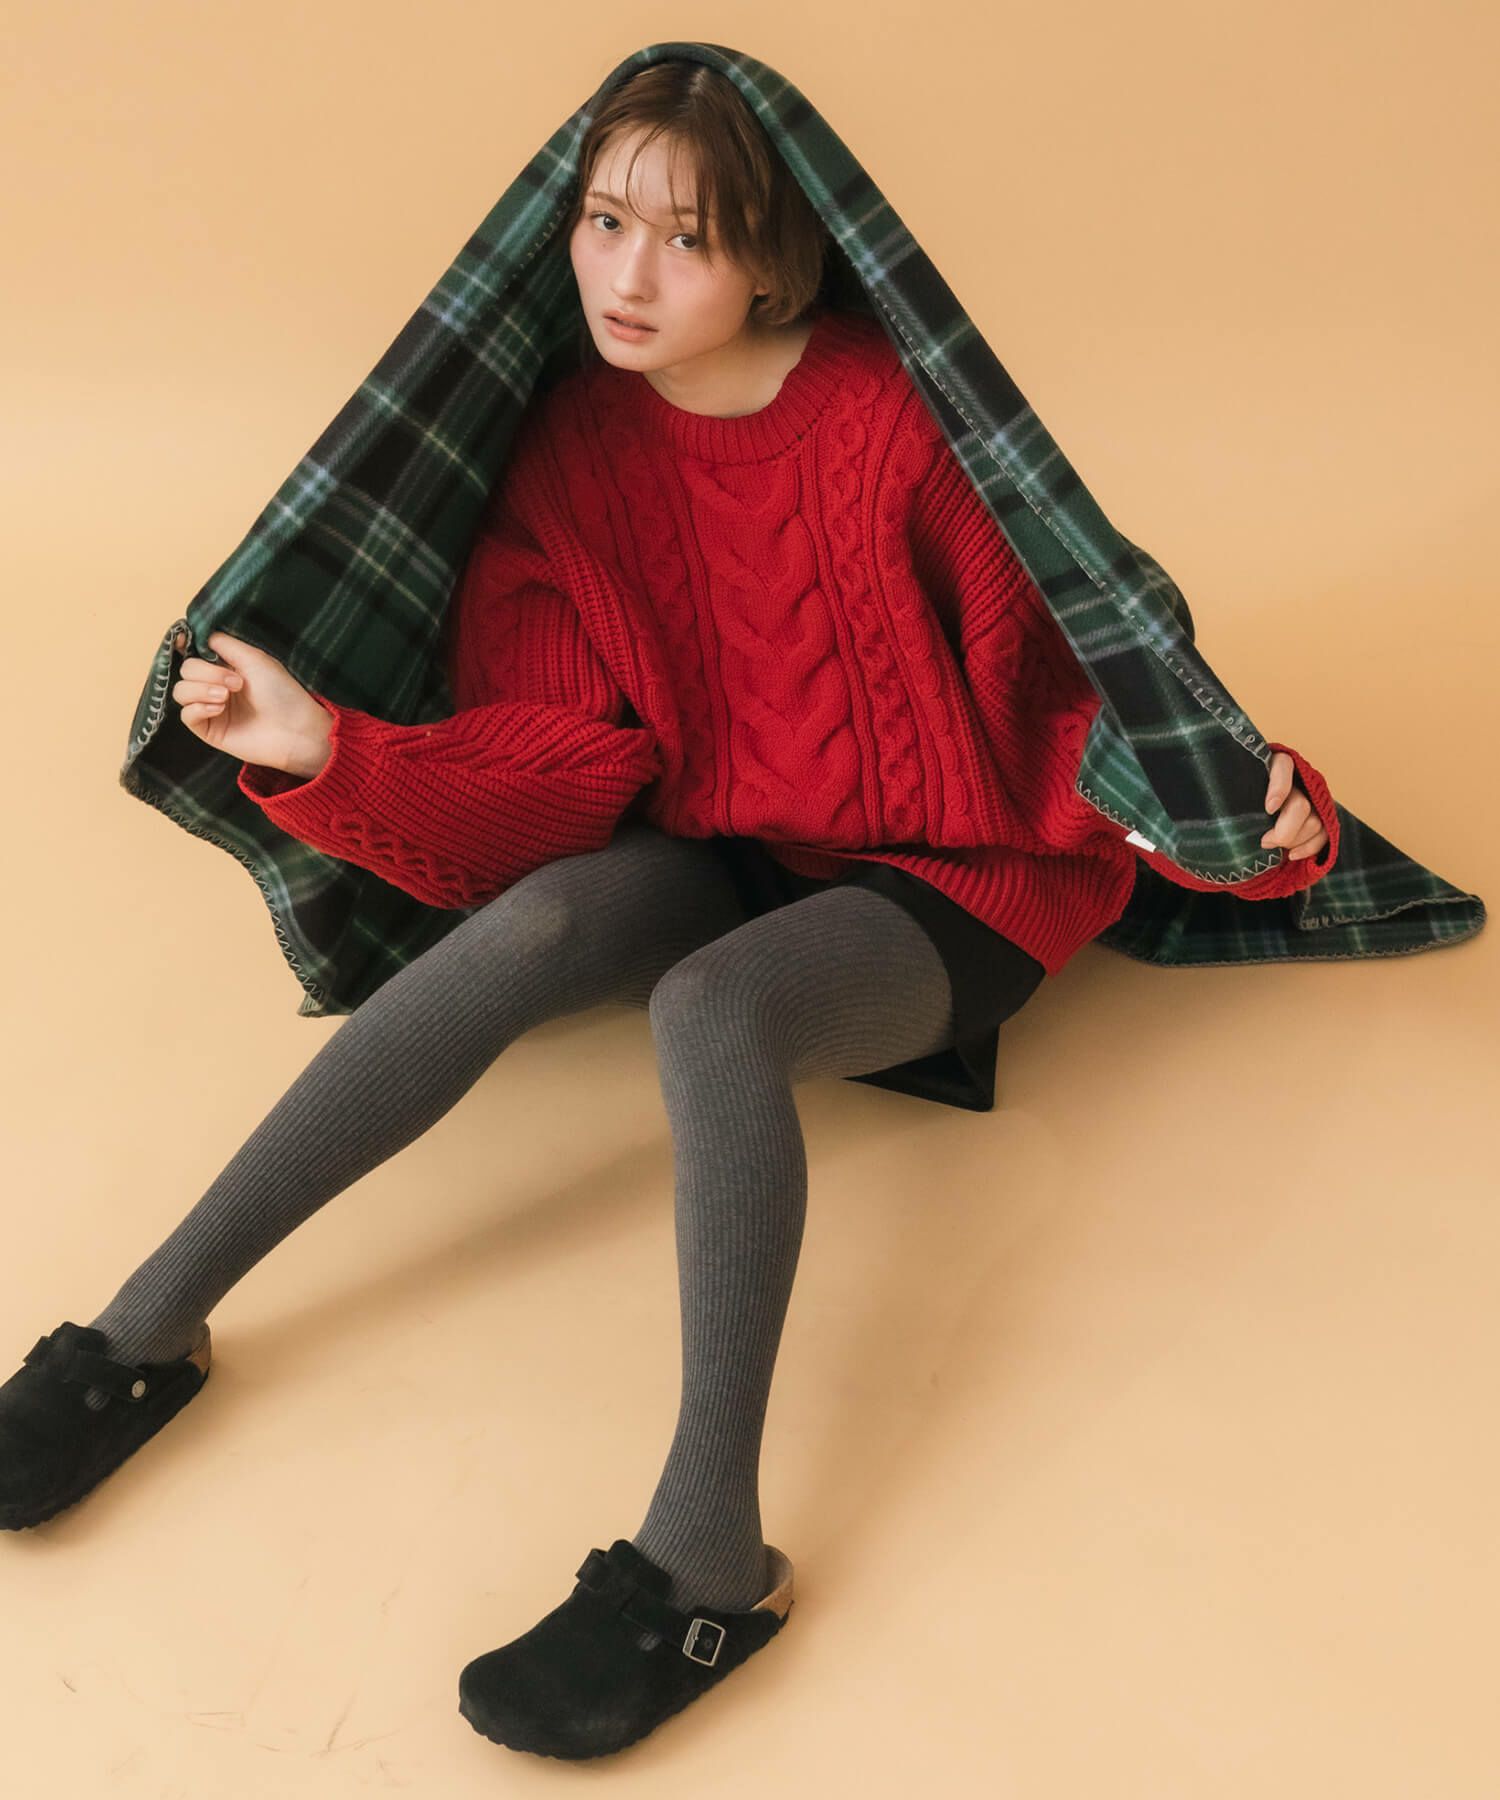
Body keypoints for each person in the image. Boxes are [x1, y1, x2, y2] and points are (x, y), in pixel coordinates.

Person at [0, 61, 1335, 1758]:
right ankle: (138, 1338)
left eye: (687, 240)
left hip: (954, 877)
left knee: (716, 1009)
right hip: (727, 834)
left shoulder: (893, 424)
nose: (626, 276)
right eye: (604, 221)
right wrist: (333, 750)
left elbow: (1075, 698)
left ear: (778, 262)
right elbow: (565, 772)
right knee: (536, 932)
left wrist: (1241, 812)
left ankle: (709, 1561)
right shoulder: (573, 443)